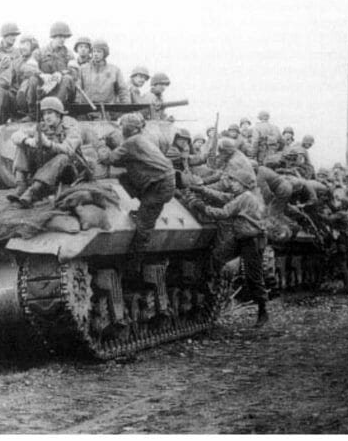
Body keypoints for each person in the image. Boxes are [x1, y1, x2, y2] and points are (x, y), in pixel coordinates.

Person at [186, 169, 269, 327]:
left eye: (234, 181)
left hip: (252, 240)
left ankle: (263, 311)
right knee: (217, 256)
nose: (231, 183)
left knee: (253, 277)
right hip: (242, 237)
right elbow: (224, 197)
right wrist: (202, 190)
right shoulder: (248, 195)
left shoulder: (245, 198)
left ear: (243, 184)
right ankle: (215, 286)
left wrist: (201, 206)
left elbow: (223, 212)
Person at [100, 113, 175, 250]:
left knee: (143, 226)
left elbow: (110, 159)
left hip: (158, 185)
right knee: (124, 176)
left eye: (122, 126)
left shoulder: (131, 142)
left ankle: (135, 260)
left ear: (128, 129)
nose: (121, 129)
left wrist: (101, 147)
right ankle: (145, 210)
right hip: (161, 181)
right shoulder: (142, 138)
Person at [8, 97, 83, 208]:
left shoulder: (70, 128)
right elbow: (15, 136)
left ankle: (33, 191)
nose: (46, 117)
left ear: (58, 114)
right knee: (22, 146)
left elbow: (68, 149)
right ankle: (21, 186)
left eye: (49, 113)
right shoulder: (42, 127)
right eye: (44, 114)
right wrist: (29, 141)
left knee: (62, 157)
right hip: (48, 173)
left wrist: (48, 144)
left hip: (68, 173)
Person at [76, 39, 129, 106]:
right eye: (94, 51)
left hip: (108, 109)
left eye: (99, 51)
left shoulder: (114, 70)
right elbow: (78, 90)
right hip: (87, 109)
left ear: (105, 53)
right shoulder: (83, 69)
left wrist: (126, 107)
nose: (95, 54)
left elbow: (123, 90)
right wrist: (77, 106)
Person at [33, 21, 75, 105]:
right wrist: (41, 74)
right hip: (44, 87)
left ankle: (56, 108)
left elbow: (74, 71)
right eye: (60, 36)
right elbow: (30, 67)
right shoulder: (40, 52)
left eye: (64, 37)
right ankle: (33, 113)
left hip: (61, 89)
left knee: (67, 78)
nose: (62, 39)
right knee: (32, 80)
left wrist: (60, 74)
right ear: (53, 36)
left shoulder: (69, 54)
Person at [11, 35, 40, 120]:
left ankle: (33, 113)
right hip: (19, 95)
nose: (23, 47)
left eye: (27, 45)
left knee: (31, 80)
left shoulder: (38, 57)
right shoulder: (16, 62)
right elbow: (11, 80)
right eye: (21, 44)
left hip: (37, 93)